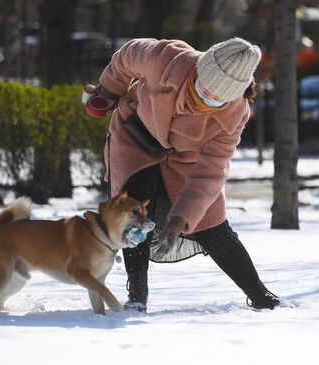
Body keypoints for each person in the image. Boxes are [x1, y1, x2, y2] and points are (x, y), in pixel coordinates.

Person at [85, 37, 280, 312]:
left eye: (217, 98)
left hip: (185, 158)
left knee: (211, 224)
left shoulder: (235, 114)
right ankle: (137, 295)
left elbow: (213, 168)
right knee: (133, 210)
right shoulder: (165, 59)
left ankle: (260, 295)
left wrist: (180, 219)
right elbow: (126, 57)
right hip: (135, 137)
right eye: (203, 88)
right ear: (199, 68)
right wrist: (108, 91)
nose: (206, 98)